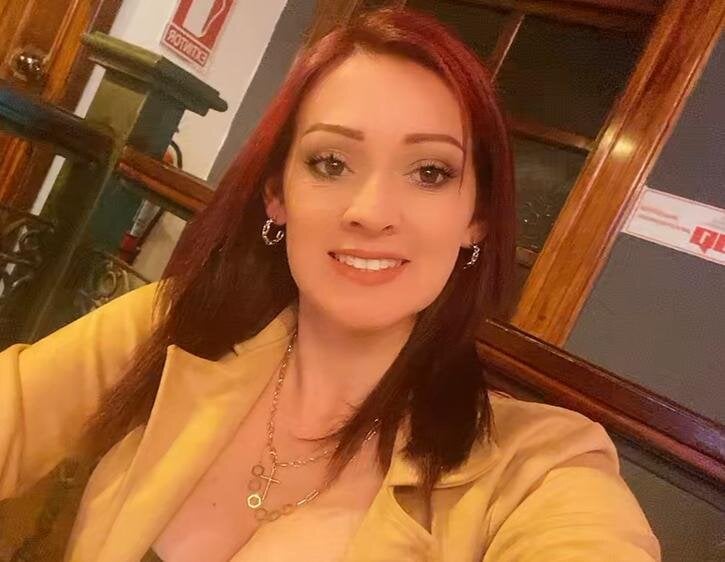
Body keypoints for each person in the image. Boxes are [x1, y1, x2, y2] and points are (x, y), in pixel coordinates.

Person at [0, 6, 660, 562]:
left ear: (475, 218)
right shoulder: (171, 328)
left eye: (430, 172)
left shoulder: (538, 467)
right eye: (330, 162)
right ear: (277, 195)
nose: (370, 212)